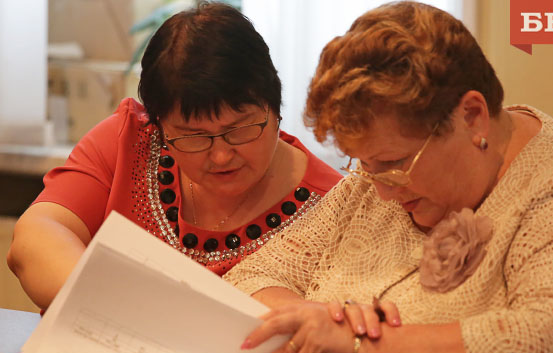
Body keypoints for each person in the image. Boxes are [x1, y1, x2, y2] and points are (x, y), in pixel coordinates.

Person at [223, 1, 553, 353]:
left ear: (472, 116)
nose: (381, 192)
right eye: (364, 164)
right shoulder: (373, 179)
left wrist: (358, 344)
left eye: (395, 162)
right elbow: (254, 275)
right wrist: (314, 321)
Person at [7, 2, 341, 310]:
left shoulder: (335, 206)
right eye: (194, 136)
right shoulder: (129, 141)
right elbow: (36, 237)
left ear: (275, 107)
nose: (221, 155)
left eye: (240, 129)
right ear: (160, 125)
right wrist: (114, 312)